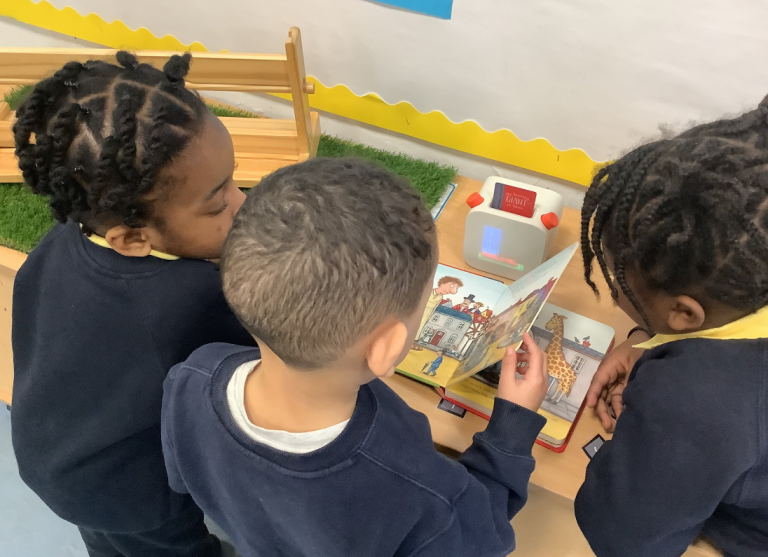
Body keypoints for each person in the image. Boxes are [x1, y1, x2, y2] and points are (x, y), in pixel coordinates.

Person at [161, 158, 551, 557]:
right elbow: (483, 532)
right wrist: (512, 428)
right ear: (386, 349)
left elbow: (183, 478)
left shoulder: (191, 376)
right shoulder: (408, 480)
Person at [11, 52, 255, 557]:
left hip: (50, 454)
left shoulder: (64, 238)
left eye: (234, 180)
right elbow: (263, 358)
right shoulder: (191, 297)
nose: (243, 203)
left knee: (109, 541)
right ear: (132, 239)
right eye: (218, 202)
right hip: (127, 488)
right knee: (165, 547)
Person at [575, 93, 768, 557]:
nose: (613, 291)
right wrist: (647, 338)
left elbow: (624, 539)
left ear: (683, 313)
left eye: (617, 281)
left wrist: (653, 410)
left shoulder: (692, 400)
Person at [412, 275, 462, 350]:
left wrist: (429, 316)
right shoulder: (428, 291)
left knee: (420, 325)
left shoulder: (440, 297)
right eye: (452, 285)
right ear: (442, 284)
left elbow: (434, 307)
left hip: (427, 313)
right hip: (419, 310)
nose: (452, 290)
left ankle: (412, 341)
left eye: (456, 287)